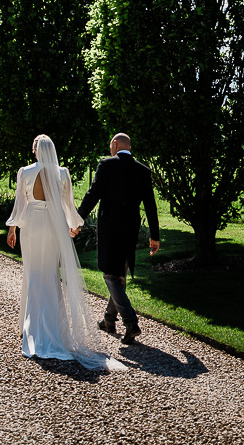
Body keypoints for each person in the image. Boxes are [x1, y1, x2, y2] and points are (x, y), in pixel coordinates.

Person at [6, 134, 124, 371]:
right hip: (54, 226)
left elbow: (20, 204)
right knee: (50, 275)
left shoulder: (25, 172)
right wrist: (74, 224)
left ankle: (31, 330)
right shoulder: (62, 173)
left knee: (32, 274)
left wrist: (12, 229)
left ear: (36, 150)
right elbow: (68, 204)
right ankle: (53, 331)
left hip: (31, 225)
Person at [77, 132, 160, 344]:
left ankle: (131, 322)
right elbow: (150, 205)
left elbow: (93, 194)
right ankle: (108, 320)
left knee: (110, 275)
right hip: (131, 229)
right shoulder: (142, 170)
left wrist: (77, 220)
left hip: (110, 229)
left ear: (115, 144)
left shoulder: (106, 165)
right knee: (119, 273)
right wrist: (155, 235)